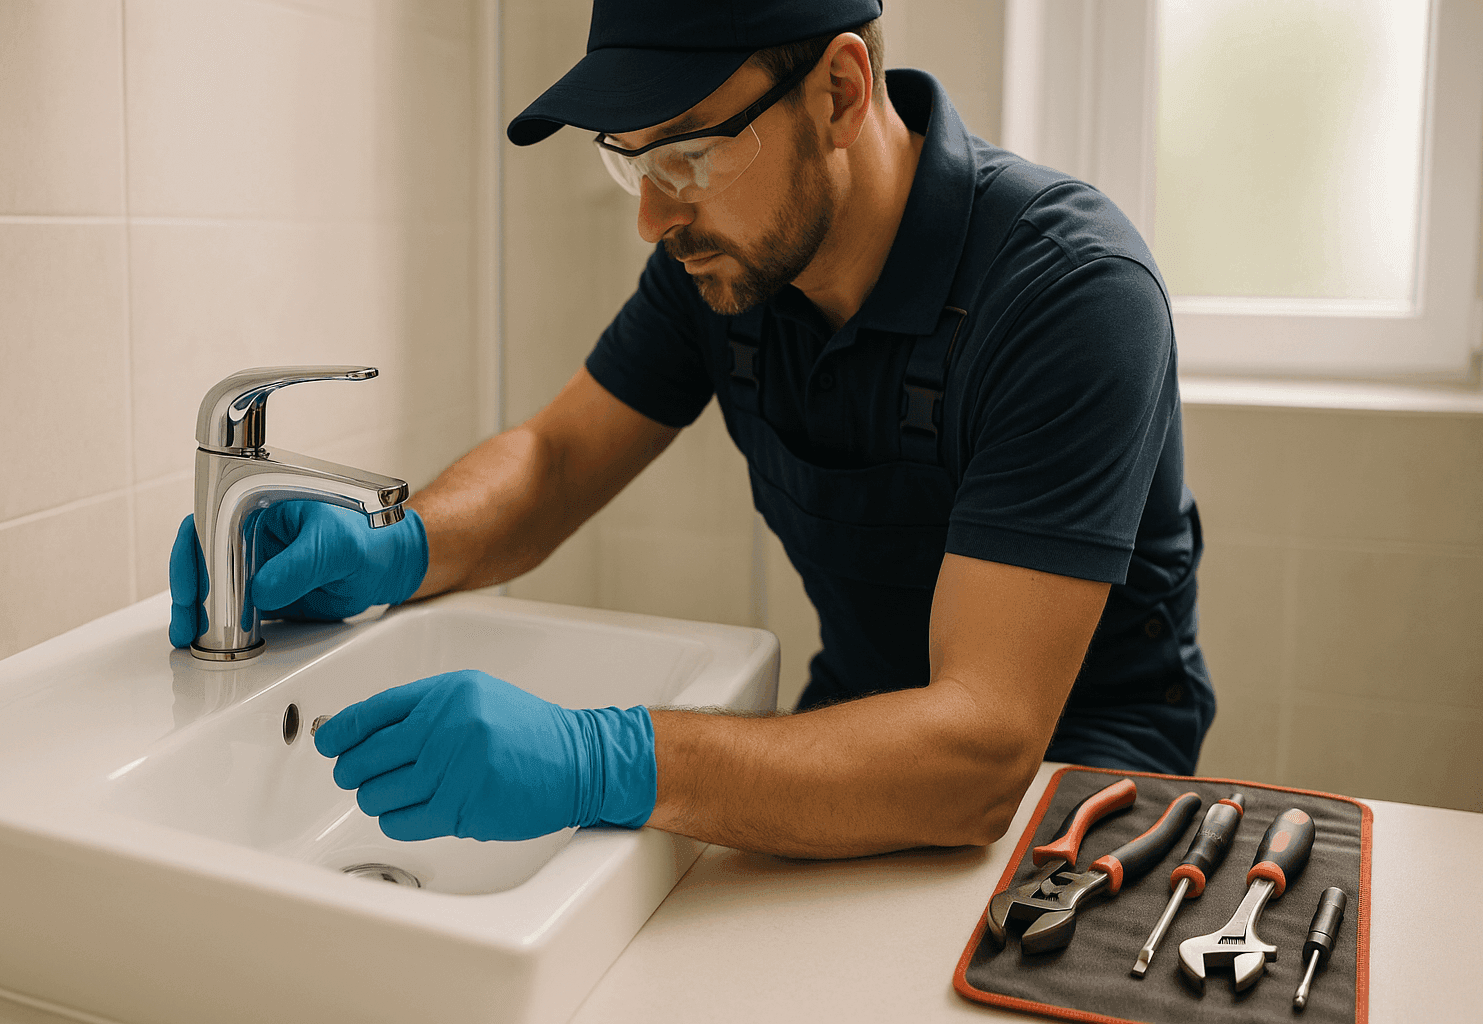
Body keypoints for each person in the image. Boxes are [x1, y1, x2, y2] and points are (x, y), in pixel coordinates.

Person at [169, 0, 1213, 859]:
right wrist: (394, 545)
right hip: (845, 731)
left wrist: (604, 758)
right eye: (632, 162)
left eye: (687, 157)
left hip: (1074, 806)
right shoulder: (729, 264)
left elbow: (984, 747)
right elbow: (558, 457)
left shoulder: (1071, 296)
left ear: (841, 93)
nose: (653, 219)